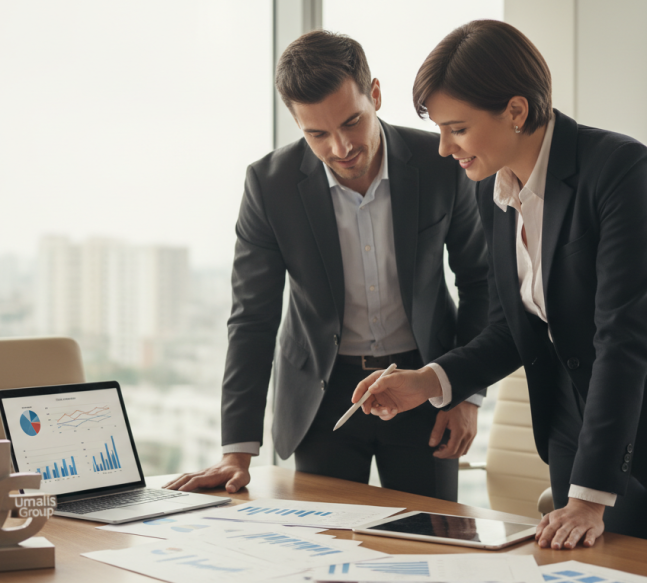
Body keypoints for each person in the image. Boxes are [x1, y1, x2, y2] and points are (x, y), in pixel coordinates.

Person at [352, 20, 647, 547]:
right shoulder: (491, 189)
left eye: (458, 128)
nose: (444, 149)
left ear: (516, 111)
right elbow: (507, 329)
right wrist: (426, 382)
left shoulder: (621, 171)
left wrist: (589, 498)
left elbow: (624, 339)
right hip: (572, 425)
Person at [164, 30, 489, 501]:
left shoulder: (439, 163)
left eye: (352, 122)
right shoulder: (268, 186)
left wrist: (464, 393)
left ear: (375, 94)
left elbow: (480, 281)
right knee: (325, 558)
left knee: (434, 548)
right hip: (323, 396)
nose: (341, 148)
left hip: (424, 384)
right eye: (317, 133)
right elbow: (252, 318)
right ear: (297, 124)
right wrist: (236, 452)